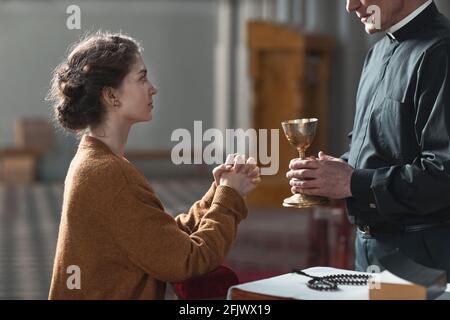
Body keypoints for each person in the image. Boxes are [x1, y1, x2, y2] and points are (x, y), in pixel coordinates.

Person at [47, 32, 261, 299]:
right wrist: (229, 198)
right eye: (142, 78)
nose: (152, 87)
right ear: (112, 96)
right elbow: (188, 261)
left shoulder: (95, 160)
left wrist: (217, 192)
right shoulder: (110, 174)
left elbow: (159, 239)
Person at [287, 0, 450, 276]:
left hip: (423, 255)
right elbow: (372, 147)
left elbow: (443, 173)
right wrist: (326, 173)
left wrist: (351, 182)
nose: (351, 6)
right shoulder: (376, 54)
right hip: (370, 250)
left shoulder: (442, 51)